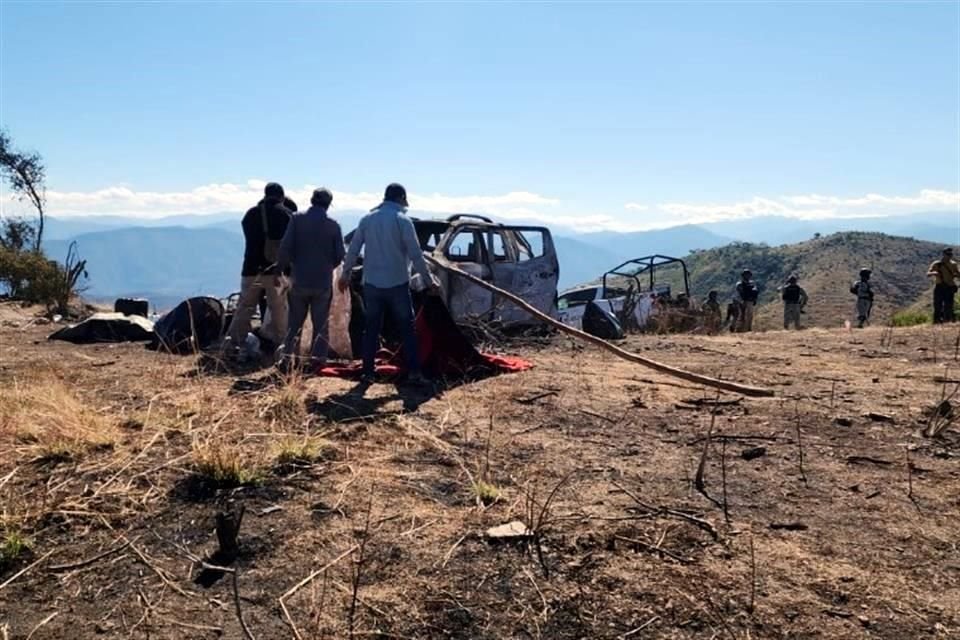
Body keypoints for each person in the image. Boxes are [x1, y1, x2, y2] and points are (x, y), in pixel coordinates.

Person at [337, 183, 437, 386]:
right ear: (401, 199)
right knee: (407, 329)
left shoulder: (367, 219)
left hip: (372, 284)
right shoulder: (403, 220)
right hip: (398, 282)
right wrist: (429, 281)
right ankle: (414, 372)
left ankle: (368, 372)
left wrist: (345, 274)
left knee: (371, 328)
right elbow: (416, 254)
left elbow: (353, 249)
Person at [276, 188, 345, 370]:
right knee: (321, 325)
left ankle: (288, 360)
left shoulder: (297, 219)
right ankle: (317, 361)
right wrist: (327, 266)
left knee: (294, 323)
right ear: (329, 204)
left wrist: (279, 270)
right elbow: (340, 255)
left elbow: (285, 248)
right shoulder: (333, 224)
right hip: (322, 282)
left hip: (299, 279)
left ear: (311, 199)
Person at [225, 182, 293, 354]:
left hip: (250, 268)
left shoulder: (250, 214)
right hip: (275, 272)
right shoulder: (286, 214)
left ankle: (235, 341)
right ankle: (280, 344)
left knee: (245, 307)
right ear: (281, 196)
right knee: (278, 308)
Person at [259, 195, 299, 322]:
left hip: (261, 268)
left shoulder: (260, 218)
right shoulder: (288, 222)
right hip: (284, 270)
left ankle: (267, 328)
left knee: (265, 301)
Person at [927, 247, 959, 324]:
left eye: (950, 254)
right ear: (944, 254)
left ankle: (947, 322)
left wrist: (956, 275)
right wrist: (934, 273)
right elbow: (928, 273)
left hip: (949, 287)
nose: (949, 256)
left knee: (948, 306)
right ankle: (937, 322)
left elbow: (958, 274)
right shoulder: (937, 264)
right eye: (948, 254)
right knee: (937, 305)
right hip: (939, 287)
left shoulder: (953, 264)